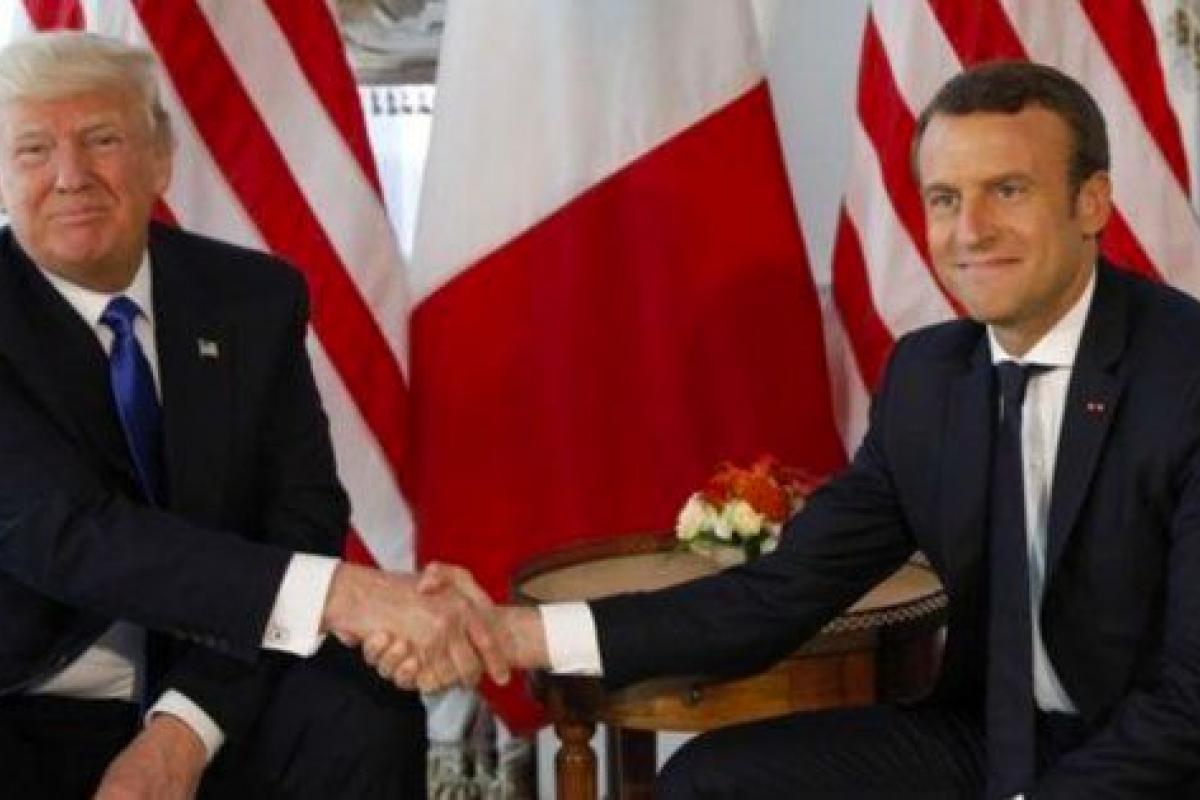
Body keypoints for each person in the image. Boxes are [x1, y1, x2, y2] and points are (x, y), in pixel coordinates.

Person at [398, 61, 1200, 798]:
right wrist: (513, 634)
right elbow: (777, 595)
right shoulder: (929, 377)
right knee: (711, 782)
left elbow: (1190, 703)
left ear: (1092, 202)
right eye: (945, 199)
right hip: (990, 739)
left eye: (1009, 190)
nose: (971, 230)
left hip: (1161, 755)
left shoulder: (1184, 374)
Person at [0, 31, 505, 799]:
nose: (71, 176)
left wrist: (186, 725)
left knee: (362, 711)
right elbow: (71, 534)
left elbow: (304, 513)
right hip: (24, 690)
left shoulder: (252, 298)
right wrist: (343, 595)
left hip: (213, 671)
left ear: (160, 158)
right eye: (34, 150)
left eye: (102, 139)